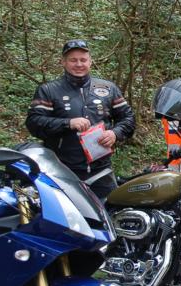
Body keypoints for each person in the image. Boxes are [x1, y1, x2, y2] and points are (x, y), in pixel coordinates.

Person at [26, 39, 135, 198]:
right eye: (73, 60)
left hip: (102, 171)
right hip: (61, 170)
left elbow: (128, 119)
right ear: (63, 62)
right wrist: (67, 123)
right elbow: (34, 123)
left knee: (109, 211)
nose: (79, 64)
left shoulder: (108, 88)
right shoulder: (48, 90)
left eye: (83, 60)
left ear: (90, 62)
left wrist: (115, 133)